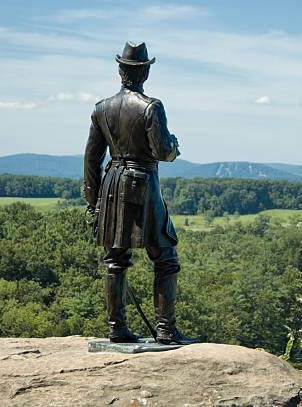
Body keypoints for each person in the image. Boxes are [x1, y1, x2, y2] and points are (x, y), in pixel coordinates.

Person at [83, 41, 198, 345]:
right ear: (144, 71)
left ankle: (116, 327)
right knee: (166, 255)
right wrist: (174, 145)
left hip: (111, 184)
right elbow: (162, 150)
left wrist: (93, 203)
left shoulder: (101, 108)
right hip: (143, 184)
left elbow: (92, 160)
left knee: (116, 257)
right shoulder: (151, 106)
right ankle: (165, 328)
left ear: (121, 70)